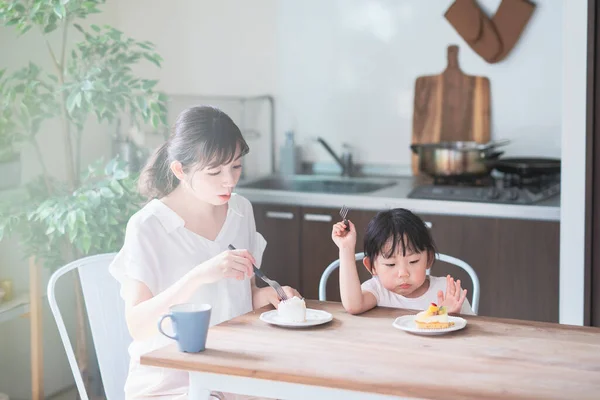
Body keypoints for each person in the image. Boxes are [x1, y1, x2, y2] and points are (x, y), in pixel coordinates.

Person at [109, 106, 300, 399]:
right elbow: (138, 325)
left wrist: (271, 297)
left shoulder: (240, 210)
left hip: (231, 370)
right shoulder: (148, 226)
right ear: (179, 170)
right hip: (170, 381)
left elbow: (240, 297)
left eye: (236, 166)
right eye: (215, 171)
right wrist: (199, 276)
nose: (230, 181)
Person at [331, 208, 474, 315]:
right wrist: (345, 248)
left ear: (429, 259)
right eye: (391, 264)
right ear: (371, 266)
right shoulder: (378, 291)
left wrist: (451, 317)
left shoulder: (448, 291)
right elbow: (353, 306)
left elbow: (476, 333)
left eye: (413, 261)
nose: (403, 273)